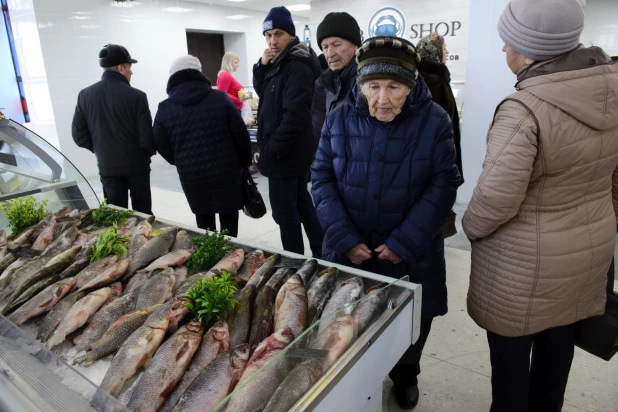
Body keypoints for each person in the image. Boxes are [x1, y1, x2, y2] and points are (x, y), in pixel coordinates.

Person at [462, 1, 618, 411]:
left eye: (508, 41)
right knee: (557, 356)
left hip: (524, 268)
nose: (502, 50)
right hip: (586, 257)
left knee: (511, 370)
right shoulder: (611, 91)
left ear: (530, 47)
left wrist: (470, 227)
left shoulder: (524, 110)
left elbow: (495, 201)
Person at [312, 36, 460, 409]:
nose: (382, 98)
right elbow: (322, 178)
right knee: (345, 322)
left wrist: (404, 241)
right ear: (360, 84)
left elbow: (443, 184)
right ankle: (352, 378)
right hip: (350, 248)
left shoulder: (435, 121)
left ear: (411, 86)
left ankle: (406, 374)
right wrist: (343, 235)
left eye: (394, 87)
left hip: (412, 251)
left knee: (412, 321)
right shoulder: (339, 118)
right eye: (373, 86)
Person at [153, 56, 252, 237]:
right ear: (199, 73)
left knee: (204, 220)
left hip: (192, 174)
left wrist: (180, 161)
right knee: (229, 217)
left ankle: (210, 258)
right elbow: (240, 135)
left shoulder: (165, 108)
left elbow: (160, 143)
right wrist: (244, 162)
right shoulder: (220, 99)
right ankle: (230, 257)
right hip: (226, 171)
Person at [253, 6, 324, 257]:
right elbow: (266, 95)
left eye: (279, 34)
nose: (272, 41)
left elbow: (296, 114)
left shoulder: (297, 64)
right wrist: (262, 65)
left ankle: (293, 266)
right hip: (287, 152)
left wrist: (272, 149)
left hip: (286, 153)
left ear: (291, 35)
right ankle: (323, 255)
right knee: (302, 205)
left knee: (285, 214)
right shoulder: (280, 62)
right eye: (268, 35)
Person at [72, 44, 155, 214]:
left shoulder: (85, 95)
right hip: (137, 166)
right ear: (121, 67)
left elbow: (78, 135)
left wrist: (101, 148)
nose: (131, 72)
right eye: (130, 68)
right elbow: (146, 137)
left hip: (107, 166)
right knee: (143, 215)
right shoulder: (137, 96)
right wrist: (146, 154)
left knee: (116, 216)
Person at [417, 33, 463, 237]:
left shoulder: (422, 80)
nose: (447, 52)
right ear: (434, 52)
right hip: (435, 165)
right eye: (444, 49)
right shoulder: (435, 82)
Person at [311, 12, 362, 151]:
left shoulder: (368, 83)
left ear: (355, 45)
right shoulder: (322, 84)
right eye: (325, 47)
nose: (329, 54)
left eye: (336, 44)